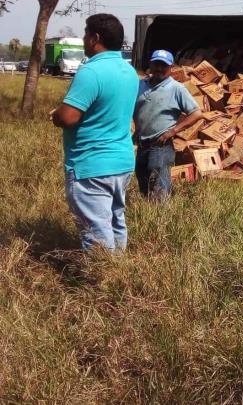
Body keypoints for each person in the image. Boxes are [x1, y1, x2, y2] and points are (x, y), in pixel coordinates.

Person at [51, 14, 139, 253]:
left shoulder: (91, 71)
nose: (83, 38)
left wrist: (56, 115)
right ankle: (119, 275)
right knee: (115, 221)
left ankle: (103, 283)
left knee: (97, 232)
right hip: (121, 162)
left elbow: (68, 117)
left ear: (95, 38)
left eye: (85, 33)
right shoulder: (129, 71)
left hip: (92, 166)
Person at [133, 49, 203, 200]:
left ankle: (161, 218)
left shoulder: (176, 88)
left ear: (171, 68)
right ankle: (147, 215)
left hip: (161, 145)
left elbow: (197, 113)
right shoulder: (140, 85)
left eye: (163, 65)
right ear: (150, 64)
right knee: (143, 181)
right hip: (142, 144)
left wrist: (173, 131)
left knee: (158, 185)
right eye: (156, 64)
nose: (159, 68)